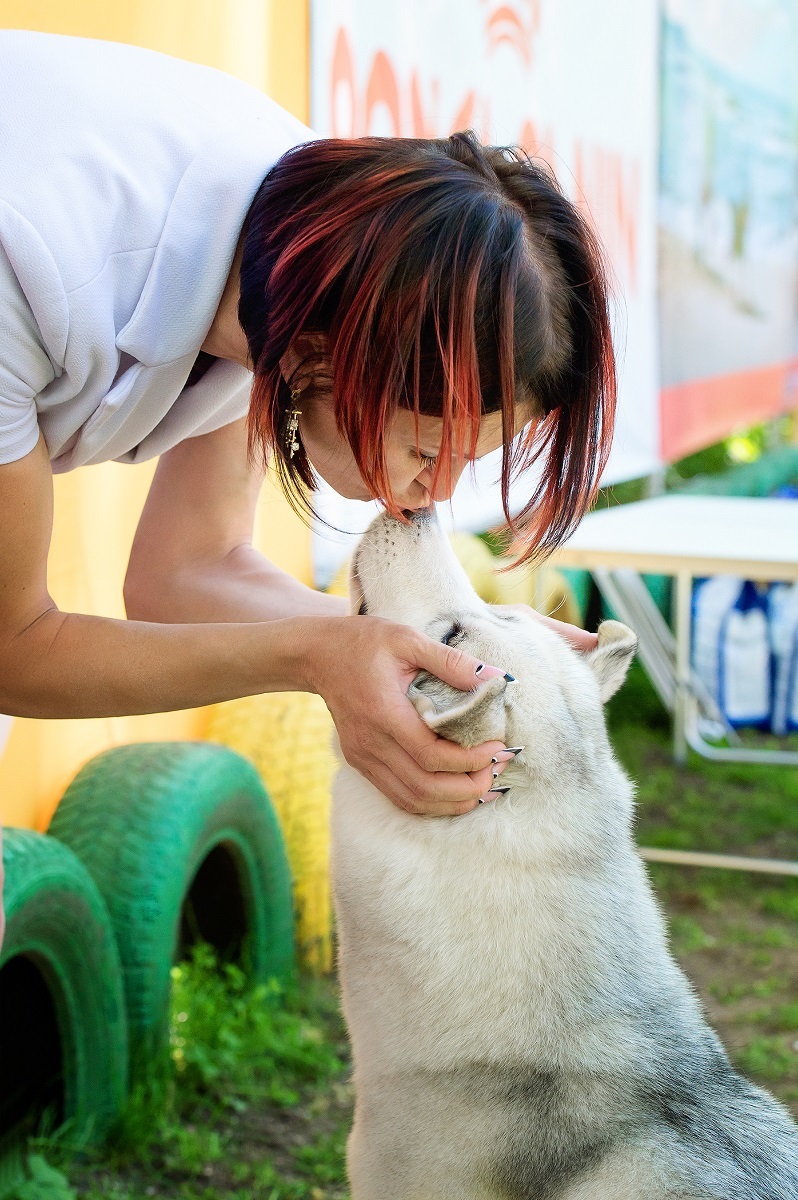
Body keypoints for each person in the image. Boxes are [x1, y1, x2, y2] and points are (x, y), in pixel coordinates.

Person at [0, 30, 614, 849]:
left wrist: (414, 640)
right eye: (427, 452)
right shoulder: (32, 258)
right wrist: (315, 658)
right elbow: (16, 649)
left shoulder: (314, 246)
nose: (426, 498)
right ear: (328, 355)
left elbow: (187, 570)